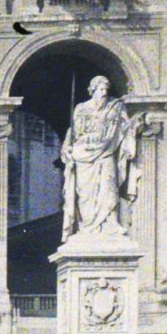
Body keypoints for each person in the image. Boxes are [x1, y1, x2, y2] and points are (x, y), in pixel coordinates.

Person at [58, 75, 140, 240]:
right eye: (100, 89)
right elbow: (72, 133)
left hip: (107, 152)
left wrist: (135, 125)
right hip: (84, 153)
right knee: (85, 193)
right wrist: (66, 147)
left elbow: (127, 124)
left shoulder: (115, 107)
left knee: (109, 187)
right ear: (92, 91)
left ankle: (111, 223)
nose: (104, 93)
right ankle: (87, 227)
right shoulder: (81, 108)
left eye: (106, 90)